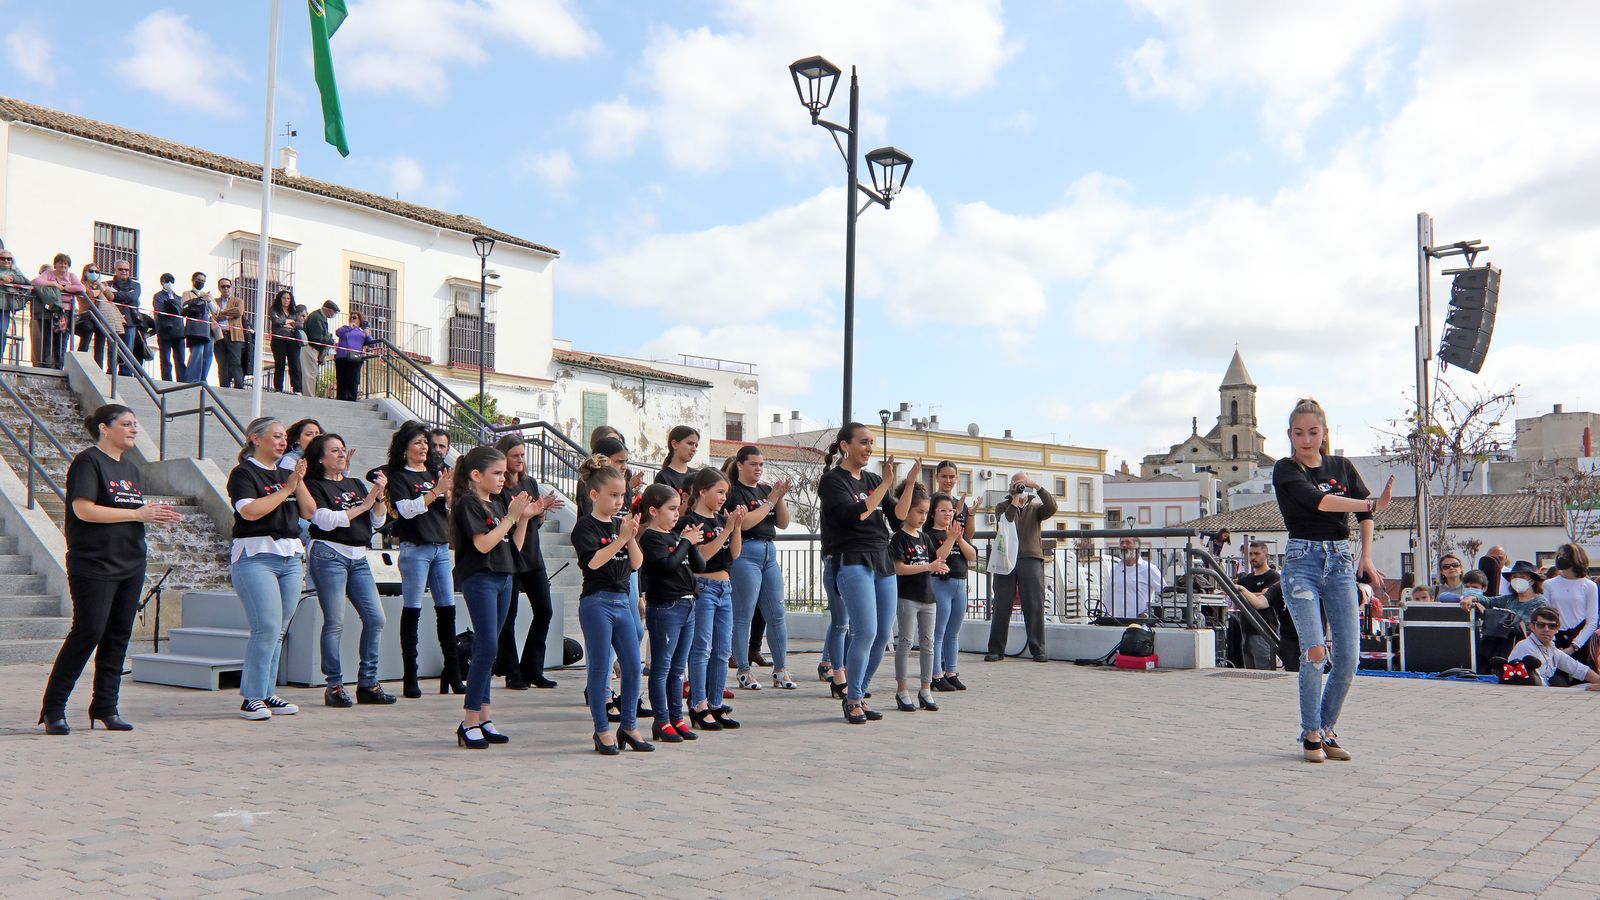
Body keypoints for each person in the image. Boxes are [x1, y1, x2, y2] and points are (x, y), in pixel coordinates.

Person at [38, 405, 182, 734]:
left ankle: (105, 707)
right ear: (105, 428)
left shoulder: (130, 468)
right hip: (94, 562)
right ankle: (53, 708)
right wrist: (137, 514)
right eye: (126, 424)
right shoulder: (88, 461)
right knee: (88, 631)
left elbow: (129, 512)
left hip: (131, 561)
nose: (134, 429)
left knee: (118, 635)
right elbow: (84, 510)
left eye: (135, 424)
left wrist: (151, 515)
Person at [1272, 397, 1394, 763]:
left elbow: (1365, 515)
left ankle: (1326, 729)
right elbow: (1320, 502)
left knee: (1349, 658)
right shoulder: (1286, 469)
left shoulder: (1342, 466)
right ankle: (1310, 732)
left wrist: (1366, 556)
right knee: (1314, 651)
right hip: (1302, 562)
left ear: (1324, 433)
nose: (1306, 440)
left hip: (1340, 563)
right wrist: (1370, 504)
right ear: (1289, 435)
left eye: (1313, 432)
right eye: (1298, 433)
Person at [819, 424, 910, 724]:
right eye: (863, 442)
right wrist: (884, 485)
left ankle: (859, 692)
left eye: (872, 442)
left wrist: (907, 484)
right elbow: (855, 514)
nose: (869, 448)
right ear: (845, 446)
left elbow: (898, 519)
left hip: (882, 558)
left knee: (884, 634)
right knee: (865, 631)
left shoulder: (872, 479)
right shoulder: (832, 481)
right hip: (852, 558)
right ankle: (852, 700)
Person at [297, 434, 396, 708]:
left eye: (342, 449)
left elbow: (376, 521)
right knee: (335, 621)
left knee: (376, 618)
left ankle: (368, 683)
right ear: (320, 458)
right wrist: (364, 505)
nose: (341, 454)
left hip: (359, 555)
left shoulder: (355, 484)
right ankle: (334, 685)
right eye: (334, 450)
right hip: (329, 554)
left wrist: (378, 497)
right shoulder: (314, 485)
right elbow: (325, 520)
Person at [449, 446, 532, 749]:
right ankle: (469, 720)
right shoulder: (468, 504)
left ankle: (484, 717)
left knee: (490, 647)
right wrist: (510, 517)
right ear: (476, 475)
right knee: (486, 647)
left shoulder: (496, 504)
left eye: (503, 473)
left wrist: (523, 519)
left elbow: (512, 546)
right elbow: (483, 544)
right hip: (480, 577)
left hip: (503, 576)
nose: (502, 478)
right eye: (496, 473)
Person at [228, 417, 308, 721]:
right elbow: (250, 511)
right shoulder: (243, 472)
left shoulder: (287, 474)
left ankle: (266, 690)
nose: (282, 442)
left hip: (290, 556)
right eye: (275, 436)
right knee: (267, 627)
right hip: (256, 555)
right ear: (255, 439)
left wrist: (298, 481)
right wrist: (287, 489)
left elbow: (309, 511)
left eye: (284, 437)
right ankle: (252, 696)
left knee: (279, 630)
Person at [574, 462, 652, 755]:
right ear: (595, 495)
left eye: (623, 496)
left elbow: (636, 564)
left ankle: (629, 726)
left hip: (622, 601)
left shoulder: (621, 525)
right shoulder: (585, 526)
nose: (619, 501)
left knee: (632, 666)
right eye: (614, 495)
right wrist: (620, 539)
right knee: (600, 668)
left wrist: (629, 538)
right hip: (597, 602)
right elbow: (593, 562)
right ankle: (602, 729)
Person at [383, 421, 463, 697]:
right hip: (415, 548)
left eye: (425, 443)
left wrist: (447, 492)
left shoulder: (433, 473)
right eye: (417, 442)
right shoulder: (399, 477)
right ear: (404, 447)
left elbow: (449, 507)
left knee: (447, 609)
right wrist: (435, 491)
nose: (424, 447)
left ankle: (453, 672)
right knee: (413, 609)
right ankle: (410, 675)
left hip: (440, 546)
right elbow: (406, 510)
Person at [491, 434, 563, 690]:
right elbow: (505, 525)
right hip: (510, 557)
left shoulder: (530, 482)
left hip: (532, 555)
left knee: (545, 611)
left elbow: (535, 522)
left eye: (522, 455)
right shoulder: (500, 487)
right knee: (507, 617)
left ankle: (532, 669)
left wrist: (539, 513)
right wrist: (525, 514)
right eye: (515, 455)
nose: (520, 459)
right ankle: (512, 672)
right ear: (504, 457)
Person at [637, 483, 706, 743]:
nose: (677, 514)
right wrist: (685, 543)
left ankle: (677, 717)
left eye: (678, 508)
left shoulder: (676, 537)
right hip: (666, 607)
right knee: (662, 667)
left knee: (679, 668)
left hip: (688, 605)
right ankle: (662, 720)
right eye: (671, 509)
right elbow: (667, 566)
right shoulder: (651, 538)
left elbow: (699, 566)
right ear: (654, 511)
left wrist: (692, 544)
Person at [723, 445, 795, 690]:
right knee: (743, 614)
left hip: (768, 551)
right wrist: (771, 501)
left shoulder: (765, 490)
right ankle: (743, 669)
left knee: (776, 612)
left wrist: (779, 498)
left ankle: (781, 669)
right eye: (753, 464)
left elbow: (783, 523)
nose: (758, 469)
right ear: (740, 465)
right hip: (746, 551)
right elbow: (744, 524)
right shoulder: (734, 491)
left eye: (761, 464)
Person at [681, 466, 744, 731]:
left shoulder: (721, 520)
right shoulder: (690, 522)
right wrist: (726, 530)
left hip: (725, 587)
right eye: (719, 492)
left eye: (725, 493)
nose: (723, 498)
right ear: (702, 491)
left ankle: (716, 702)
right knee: (702, 648)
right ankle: (699, 704)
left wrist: (735, 528)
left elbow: (735, 554)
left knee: (722, 650)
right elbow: (701, 557)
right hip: (703, 586)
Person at [891, 490, 959, 712]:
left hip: (928, 597)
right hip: (907, 597)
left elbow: (937, 558)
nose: (923, 517)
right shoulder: (899, 538)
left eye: (925, 513)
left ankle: (925, 689)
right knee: (905, 642)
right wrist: (928, 566)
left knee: (928, 644)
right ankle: (902, 690)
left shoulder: (924, 538)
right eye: (919, 512)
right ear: (907, 511)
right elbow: (899, 568)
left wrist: (950, 540)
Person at [985, 473, 1057, 662]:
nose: (1020, 487)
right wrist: (1015, 498)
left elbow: (1052, 507)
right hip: (1006, 559)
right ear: (1010, 485)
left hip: (1031, 558)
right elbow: (1007, 520)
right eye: (1016, 484)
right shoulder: (1002, 506)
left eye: (1023, 484)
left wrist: (1037, 486)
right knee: (1001, 604)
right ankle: (995, 649)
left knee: (1034, 604)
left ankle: (1038, 649)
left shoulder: (1036, 508)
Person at [929, 492, 976, 692]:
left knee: (953, 632)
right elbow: (938, 557)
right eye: (943, 510)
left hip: (959, 584)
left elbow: (972, 555)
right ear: (933, 513)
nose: (948, 514)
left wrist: (959, 539)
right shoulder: (930, 535)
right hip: (940, 584)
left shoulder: (957, 532)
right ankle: (936, 674)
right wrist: (950, 539)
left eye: (950, 510)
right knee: (938, 632)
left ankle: (951, 672)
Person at [1462, 560, 1547, 664]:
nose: (1517, 579)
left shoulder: (1540, 602)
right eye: (1514, 577)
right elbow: (1489, 601)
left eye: (1522, 577)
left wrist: (1494, 617)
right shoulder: (1509, 599)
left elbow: (1525, 626)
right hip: (1502, 649)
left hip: (1526, 651)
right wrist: (1472, 597)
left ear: (1532, 581)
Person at [1506, 606, 1600, 689]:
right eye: (1541, 625)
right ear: (1532, 626)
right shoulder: (1525, 647)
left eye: (1552, 626)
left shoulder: (1552, 650)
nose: (1546, 629)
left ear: (1557, 629)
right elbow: (1535, 683)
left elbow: (1579, 670)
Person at [1544, 543, 1597, 667]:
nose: (1560, 558)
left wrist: (1574, 646)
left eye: (1564, 555)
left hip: (1581, 638)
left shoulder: (1589, 586)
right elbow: (1546, 614)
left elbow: (1592, 621)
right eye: (1559, 555)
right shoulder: (1548, 584)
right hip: (1556, 637)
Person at [1232, 540, 1282, 670]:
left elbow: (1264, 598)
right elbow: (1236, 601)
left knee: (1265, 672)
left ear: (1267, 556)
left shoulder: (1273, 577)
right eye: (1250, 554)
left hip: (1264, 631)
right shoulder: (1245, 580)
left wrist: (1244, 593)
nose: (1253, 557)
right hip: (1245, 631)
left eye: (1257, 553)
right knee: (1249, 673)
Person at [31, 254, 84, 368]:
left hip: (65, 312)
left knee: (61, 341)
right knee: (47, 338)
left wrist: (66, 288)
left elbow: (81, 288)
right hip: (49, 310)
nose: (63, 265)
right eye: (60, 262)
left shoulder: (71, 276)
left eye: (66, 263)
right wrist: (53, 284)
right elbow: (36, 281)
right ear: (55, 264)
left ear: (69, 266)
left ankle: (59, 366)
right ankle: (46, 365)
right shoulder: (48, 274)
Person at [1106, 536, 1166, 620]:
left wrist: (1149, 611)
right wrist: (1107, 614)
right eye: (1122, 543)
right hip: (1116, 621)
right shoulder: (1115, 569)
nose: (1124, 545)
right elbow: (1109, 595)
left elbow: (1164, 592)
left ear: (1138, 548)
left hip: (1139, 622)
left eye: (1128, 542)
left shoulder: (1149, 568)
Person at [180, 273, 216, 383]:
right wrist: (200, 299)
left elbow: (216, 311)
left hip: (208, 327)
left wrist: (208, 300)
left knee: (208, 354)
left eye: (203, 281)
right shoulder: (187, 293)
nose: (201, 282)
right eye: (198, 280)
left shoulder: (208, 295)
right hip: (195, 328)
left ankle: (203, 379)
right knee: (197, 353)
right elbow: (185, 307)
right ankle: (191, 379)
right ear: (193, 280)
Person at [151, 273, 187, 381]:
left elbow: (181, 312)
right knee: (165, 360)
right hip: (164, 332)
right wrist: (174, 307)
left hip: (179, 332)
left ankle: (182, 381)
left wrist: (172, 305)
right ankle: (167, 381)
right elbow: (160, 309)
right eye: (167, 281)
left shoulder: (179, 297)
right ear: (162, 282)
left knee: (180, 359)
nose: (170, 283)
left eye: (172, 281)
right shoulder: (158, 296)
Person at [108, 260, 141, 376]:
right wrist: (126, 295)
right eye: (121, 269)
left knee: (128, 349)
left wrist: (113, 295)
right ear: (115, 270)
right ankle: (111, 372)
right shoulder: (107, 284)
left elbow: (133, 297)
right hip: (113, 319)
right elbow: (107, 297)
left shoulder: (136, 285)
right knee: (112, 348)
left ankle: (126, 374)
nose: (124, 271)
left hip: (130, 320)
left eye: (126, 269)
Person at [301, 300, 339, 397]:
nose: (333, 315)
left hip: (313, 349)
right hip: (310, 348)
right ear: (329, 310)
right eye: (334, 312)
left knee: (312, 374)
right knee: (310, 374)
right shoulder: (317, 318)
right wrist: (330, 341)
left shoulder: (320, 317)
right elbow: (316, 337)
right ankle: (309, 396)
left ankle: (310, 395)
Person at [215, 278, 246, 389]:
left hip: (234, 335)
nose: (226, 288)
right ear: (219, 288)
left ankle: (239, 387)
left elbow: (238, 311)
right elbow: (213, 315)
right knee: (222, 364)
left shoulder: (238, 301)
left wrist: (222, 313)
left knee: (235, 363)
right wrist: (228, 314)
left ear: (231, 287)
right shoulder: (215, 301)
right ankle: (223, 388)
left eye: (228, 286)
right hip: (219, 336)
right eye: (223, 286)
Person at [269, 290, 302, 393]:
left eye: (288, 298)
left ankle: (297, 389)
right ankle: (278, 388)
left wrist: (284, 324)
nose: (286, 300)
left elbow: (300, 324)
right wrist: (289, 322)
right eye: (284, 298)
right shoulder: (274, 309)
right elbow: (275, 320)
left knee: (294, 364)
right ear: (280, 299)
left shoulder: (294, 311)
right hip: (278, 340)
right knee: (280, 364)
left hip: (292, 341)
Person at [334, 311, 372, 401]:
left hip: (355, 357)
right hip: (342, 356)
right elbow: (338, 333)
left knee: (353, 378)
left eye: (354, 318)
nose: (352, 319)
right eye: (351, 317)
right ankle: (341, 398)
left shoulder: (362, 332)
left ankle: (351, 397)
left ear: (359, 320)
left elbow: (372, 344)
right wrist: (350, 328)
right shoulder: (345, 328)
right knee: (341, 378)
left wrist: (367, 334)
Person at [654, 424, 700, 497]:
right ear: (674, 444)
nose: (694, 449)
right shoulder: (663, 477)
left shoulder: (697, 475)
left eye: (696, 445)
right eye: (690, 443)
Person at [0, 248, 28, 355]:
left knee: (2, 331)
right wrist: (2, 277)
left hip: (5, 306)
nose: (6, 261)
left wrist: (11, 279)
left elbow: (26, 281)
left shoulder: (15, 270)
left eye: (9, 259)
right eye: (3, 258)